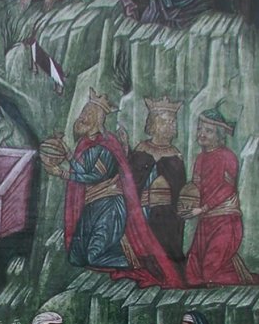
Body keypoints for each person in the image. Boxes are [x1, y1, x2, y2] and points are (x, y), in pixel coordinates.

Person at [42, 89, 183, 288]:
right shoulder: (86, 144)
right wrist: (66, 154)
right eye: (83, 113)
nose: (82, 117)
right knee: (76, 256)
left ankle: (133, 258)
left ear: (97, 119)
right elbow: (83, 169)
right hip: (93, 205)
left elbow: (94, 175)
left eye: (88, 114)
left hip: (110, 206)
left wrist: (61, 172)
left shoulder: (107, 145)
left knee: (94, 255)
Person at [184, 105, 258, 286]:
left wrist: (202, 208)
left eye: (208, 131)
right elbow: (196, 187)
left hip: (225, 221)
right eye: (200, 128)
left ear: (220, 135)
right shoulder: (200, 159)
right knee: (192, 274)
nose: (202, 133)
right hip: (206, 221)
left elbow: (227, 189)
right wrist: (187, 203)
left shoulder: (227, 157)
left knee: (211, 273)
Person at [128, 96, 186, 270]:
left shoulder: (175, 155)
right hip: (143, 209)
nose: (171, 126)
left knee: (166, 244)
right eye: (166, 122)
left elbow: (179, 188)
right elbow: (132, 181)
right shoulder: (141, 149)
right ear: (153, 125)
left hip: (167, 212)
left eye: (173, 122)